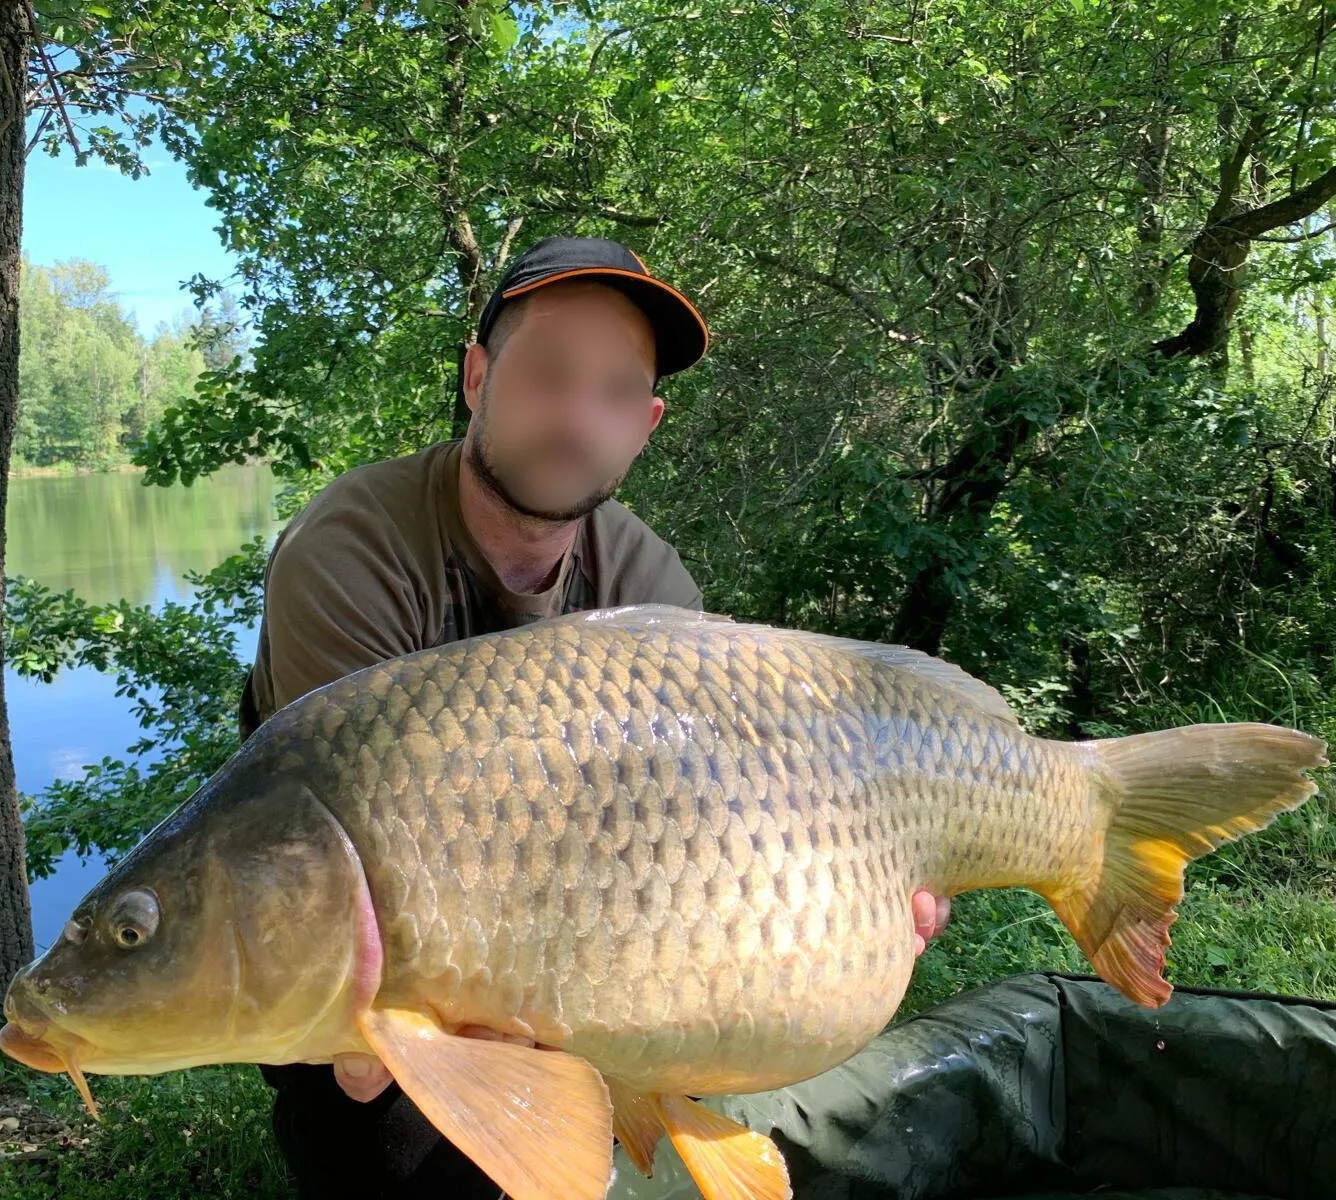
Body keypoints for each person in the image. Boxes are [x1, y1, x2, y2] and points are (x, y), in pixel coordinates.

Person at [237, 235, 951, 1197]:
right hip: (376, 954)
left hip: (585, 945)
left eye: (616, 392)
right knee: (393, 1142)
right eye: (549, 374)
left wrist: (853, 889)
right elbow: (351, 861)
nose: (579, 417)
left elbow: (713, 835)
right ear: (478, 375)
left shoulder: (650, 581)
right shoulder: (353, 549)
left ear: (646, 424)